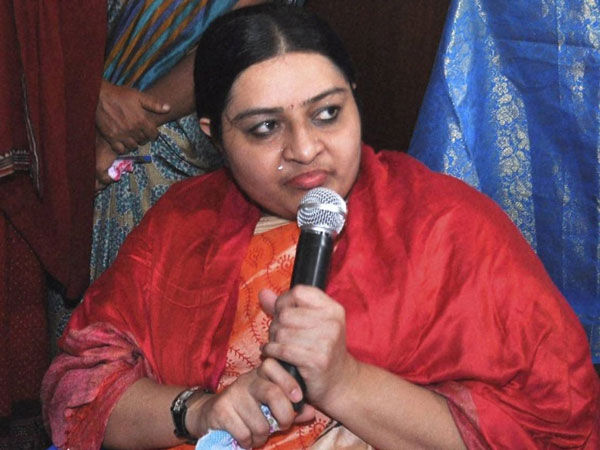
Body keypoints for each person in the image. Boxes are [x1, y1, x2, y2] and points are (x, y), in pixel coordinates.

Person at [42, 4, 599, 450]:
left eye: (327, 113)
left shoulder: (448, 227)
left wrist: (345, 382)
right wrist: (200, 410)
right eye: (264, 128)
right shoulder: (183, 224)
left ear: (354, 97)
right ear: (214, 136)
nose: (306, 149)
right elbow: (80, 387)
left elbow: (553, 427)